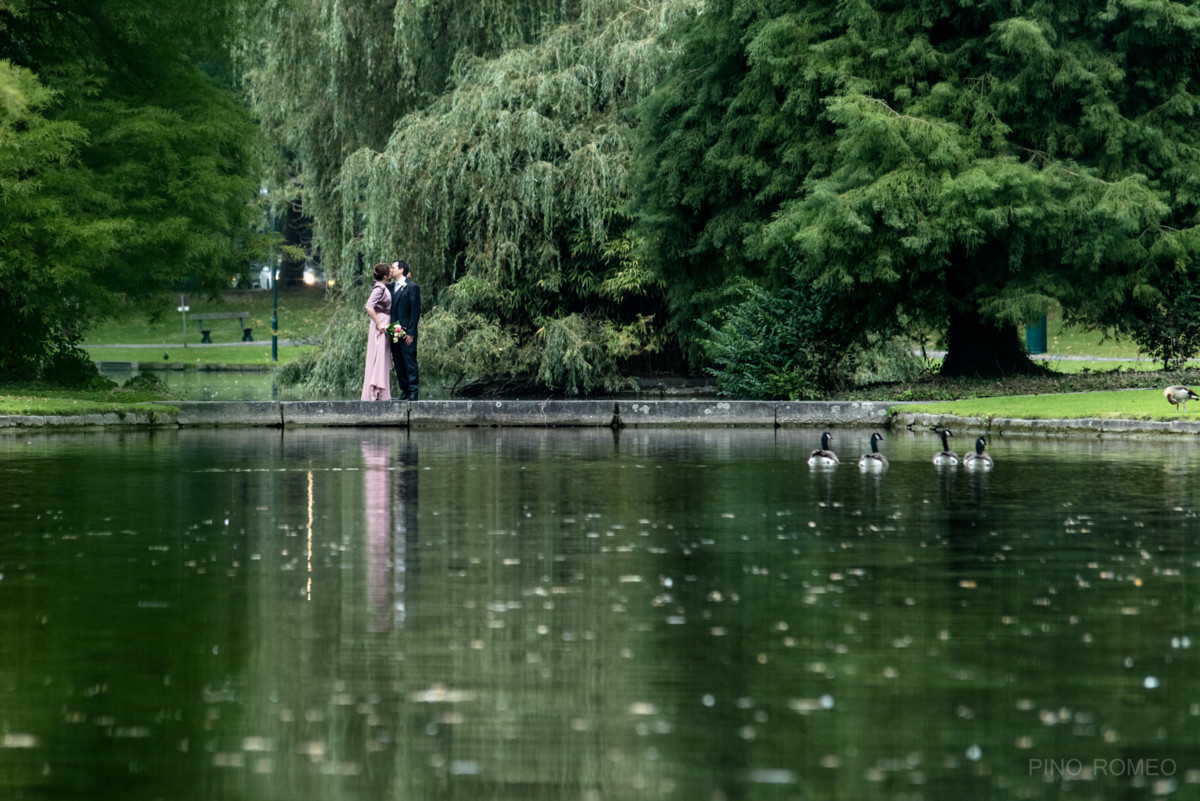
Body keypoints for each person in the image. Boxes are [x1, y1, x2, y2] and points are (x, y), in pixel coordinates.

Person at [389, 259, 421, 400]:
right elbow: (376, 284)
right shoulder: (391, 287)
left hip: (406, 328)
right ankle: (405, 391)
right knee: (398, 360)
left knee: (409, 360)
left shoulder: (412, 287)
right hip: (394, 328)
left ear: (402, 270)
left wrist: (411, 333)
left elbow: (415, 311)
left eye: (393, 267)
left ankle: (413, 391)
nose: (391, 269)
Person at [360, 262, 393, 400]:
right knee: (378, 357)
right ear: (385, 275)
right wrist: (378, 323)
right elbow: (369, 306)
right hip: (381, 324)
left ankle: (382, 393)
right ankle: (375, 392)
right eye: (389, 271)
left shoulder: (383, 286)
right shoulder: (379, 289)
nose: (392, 272)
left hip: (385, 322)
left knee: (383, 357)